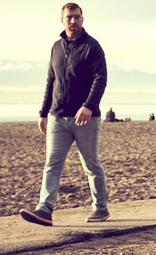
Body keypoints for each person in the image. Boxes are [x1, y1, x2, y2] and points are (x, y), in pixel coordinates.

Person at [19, 2, 109, 227]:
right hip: (57, 117)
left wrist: (88, 106)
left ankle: (100, 207)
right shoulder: (56, 47)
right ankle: (44, 209)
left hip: (86, 118)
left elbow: (101, 78)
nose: (73, 21)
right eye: (69, 17)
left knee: (91, 164)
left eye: (77, 17)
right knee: (52, 164)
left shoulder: (93, 46)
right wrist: (43, 112)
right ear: (62, 20)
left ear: (82, 19)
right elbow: (51, 80)